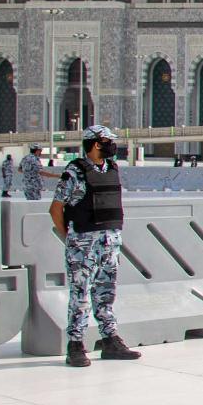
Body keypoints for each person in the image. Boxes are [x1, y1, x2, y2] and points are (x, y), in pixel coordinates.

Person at [49, 125, 142, 367]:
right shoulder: (75, 171)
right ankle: (76, 345)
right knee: (80, 296)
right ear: (95, 143)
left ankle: (110, 340)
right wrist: (70, 237)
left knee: (106, 293)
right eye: (108, 140)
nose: (113, 145)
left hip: (109, 244)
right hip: (83, 244)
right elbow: (56, 208)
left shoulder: (112, 168)